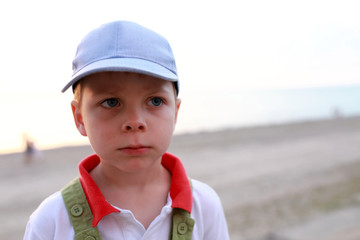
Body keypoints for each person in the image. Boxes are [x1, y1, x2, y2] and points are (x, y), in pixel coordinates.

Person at [24, 20, 229, 239]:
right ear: (79, 117)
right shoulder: (50, 220)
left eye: (156, 101)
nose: (134, 121)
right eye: (111, 102)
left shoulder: (204, 206)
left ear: (176, 112)